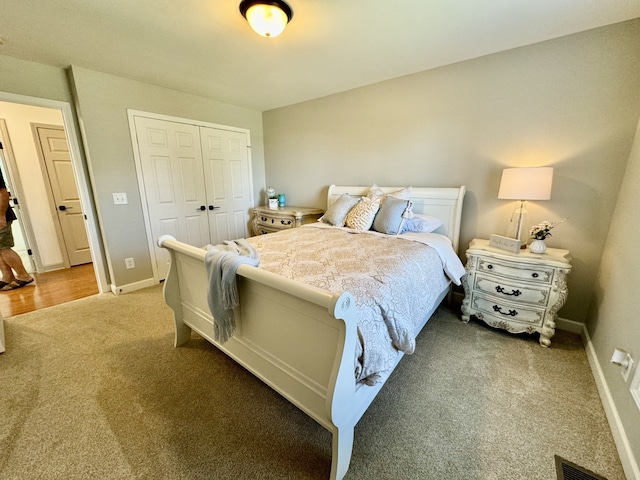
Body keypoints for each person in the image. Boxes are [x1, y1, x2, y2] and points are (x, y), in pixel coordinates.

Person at [0, 169, 33, 290]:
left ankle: (24, 275)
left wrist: (1, 215)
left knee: (4, 248)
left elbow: (2, 192)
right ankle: (7, 276)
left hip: (0, 216)